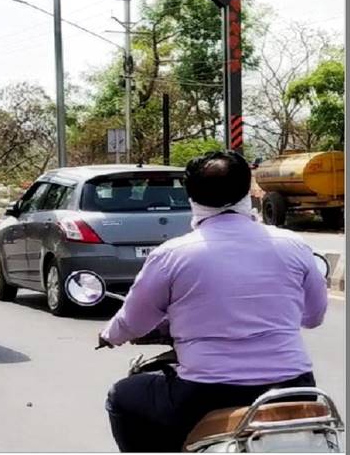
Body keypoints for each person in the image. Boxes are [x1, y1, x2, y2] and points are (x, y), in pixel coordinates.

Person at [101, 150, 328, 452]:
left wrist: (108, 335)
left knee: (122, 396)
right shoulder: (294, 245)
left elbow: (133, 322)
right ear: (248, 189)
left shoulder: (173, 255)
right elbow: (313, 317)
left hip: (206, 394)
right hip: (295, 388)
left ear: (190, 195)